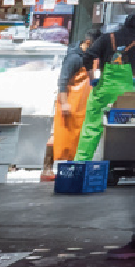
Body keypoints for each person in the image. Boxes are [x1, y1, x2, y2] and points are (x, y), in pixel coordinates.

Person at [75, 13, 135, 162]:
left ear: (125, 22)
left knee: (91, 128)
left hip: (103, 91)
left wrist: (92, 78)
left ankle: (80, 164)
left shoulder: (107, 38)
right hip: (126, 95)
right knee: (122, 131)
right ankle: (118, 164)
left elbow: (87, 57)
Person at [44, 31, 93, 172]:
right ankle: (47, 168)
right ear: (88, 43)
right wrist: (64, 102)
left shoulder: (87, 57)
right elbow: (63, 80)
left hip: (79, 104)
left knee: (73, 137)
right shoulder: (74, 58)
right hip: (67, 101)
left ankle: (70, 167)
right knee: (58, 135)